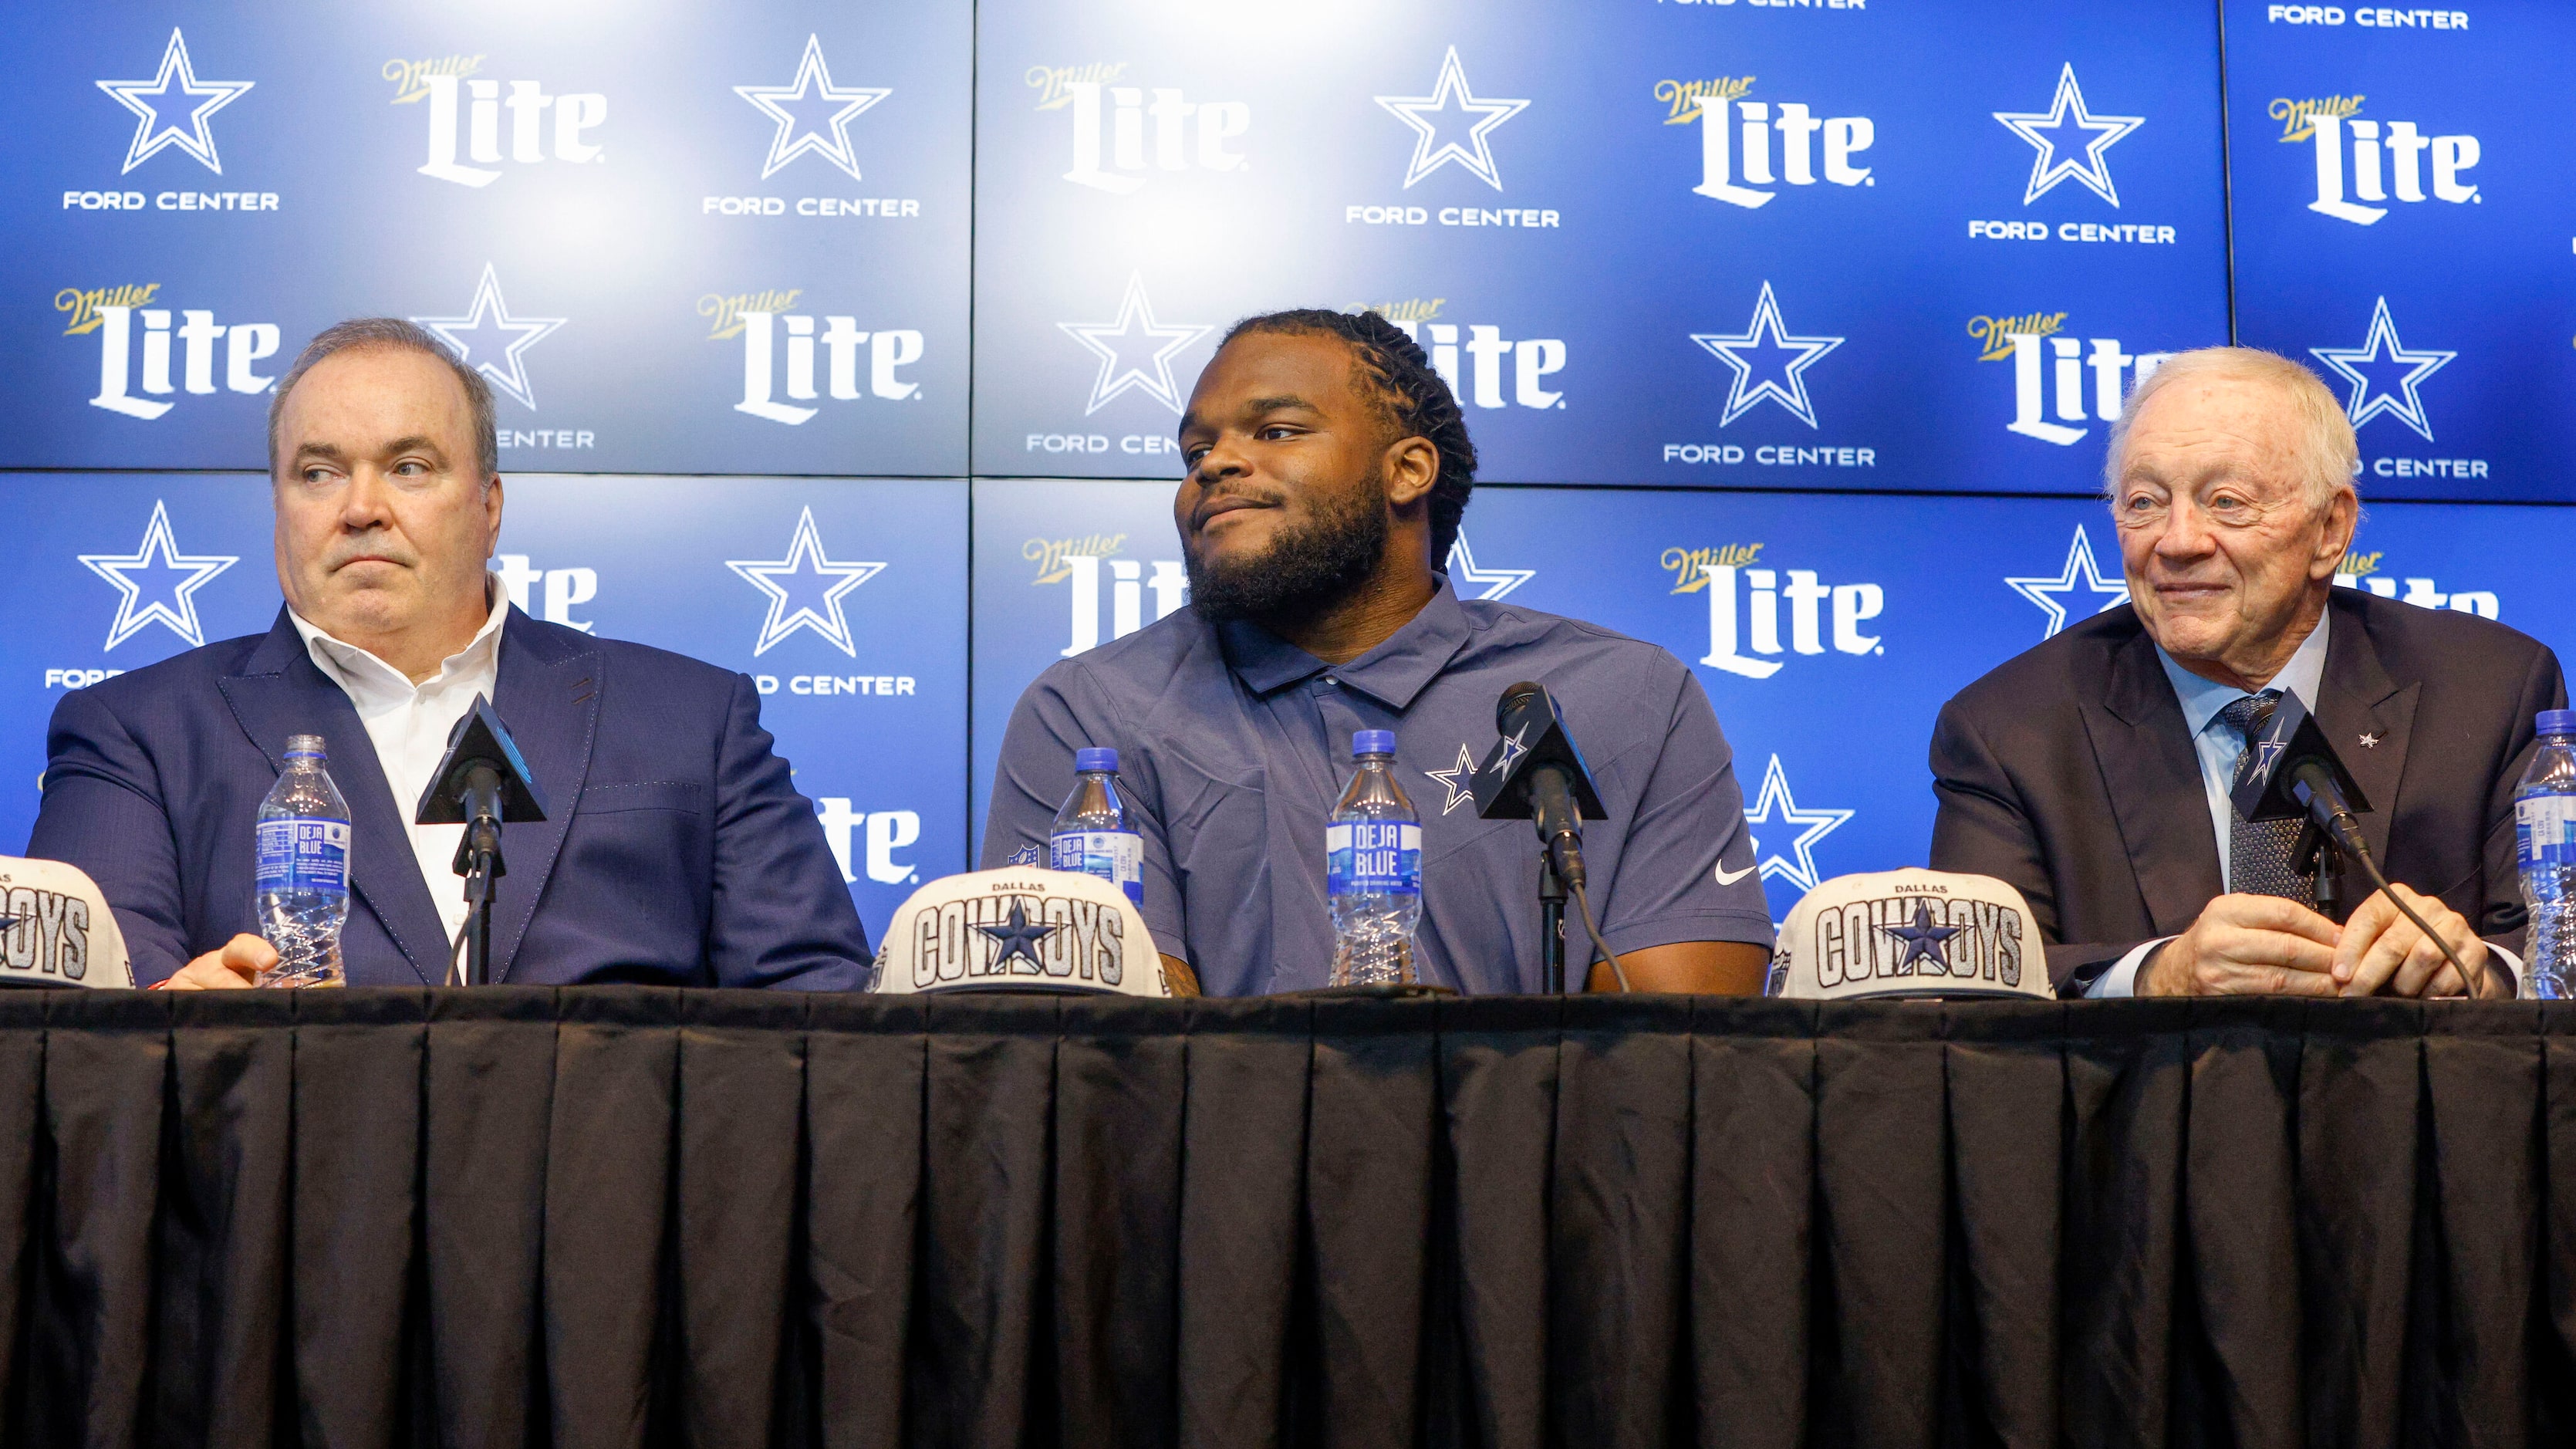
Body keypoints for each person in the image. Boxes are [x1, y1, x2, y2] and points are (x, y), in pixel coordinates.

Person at [29, 319, 870, 990]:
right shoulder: (135, 733)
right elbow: (79, 1040)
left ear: (489, 506)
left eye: (409, 466)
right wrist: (180, 1025)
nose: (361, 509)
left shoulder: (693, 720)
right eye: (318, 473)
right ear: (278, 505)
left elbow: (819, 1027)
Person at [981, 309, 1775, 996]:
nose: (1214, 465)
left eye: (1277, 431)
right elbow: (1107, 1050)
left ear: (1407, 470)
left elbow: (1681, 1059)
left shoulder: (1623, 696)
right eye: (1196, 452)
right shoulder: (1092, 714)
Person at [1929, 346, 2564, 999]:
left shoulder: (2490, 693)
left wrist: (2480, 971)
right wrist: (2153, 976)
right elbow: (1974, 979)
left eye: (2225, 502)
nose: (2176, 542)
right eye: (2144, 502)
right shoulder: (2010, 729)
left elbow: (2552, 945)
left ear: (2329, 530)